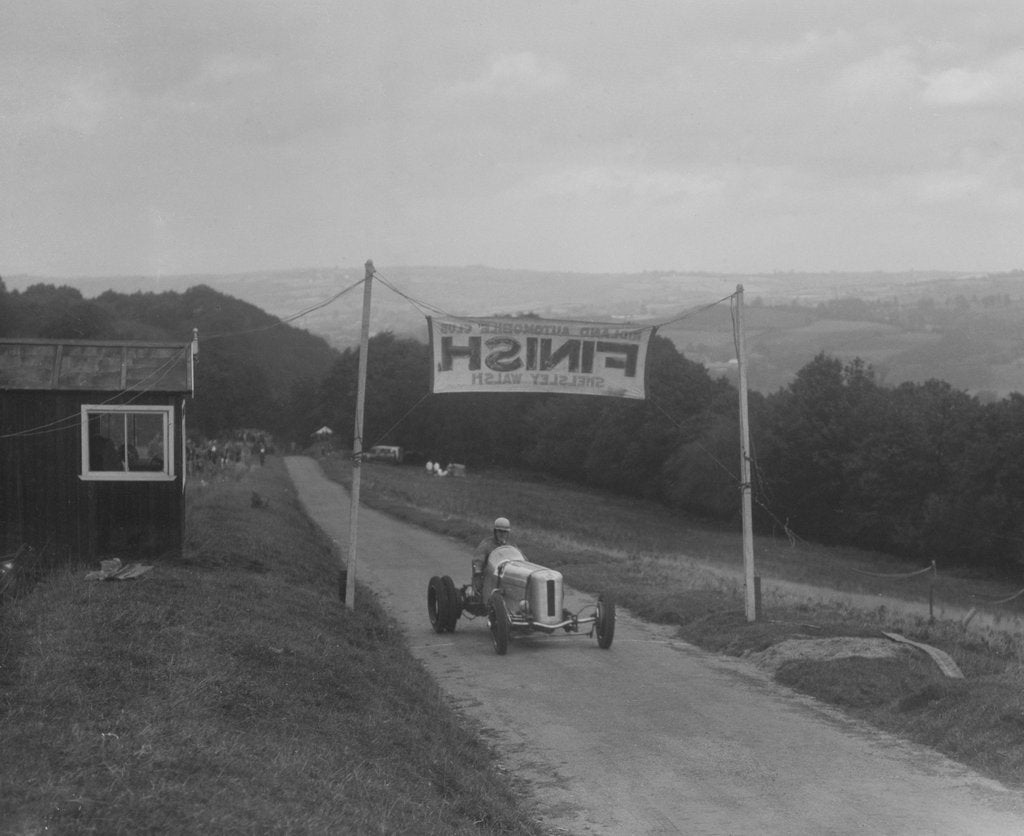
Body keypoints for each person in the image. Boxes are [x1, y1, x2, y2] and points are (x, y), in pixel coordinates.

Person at [472, 517, 513, 596]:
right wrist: (478, 572)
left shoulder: (511, 545)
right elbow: (478, 560)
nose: (502, 534)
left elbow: (520, 558)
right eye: (500, 531)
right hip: (489, 577)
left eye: (505, 532)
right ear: (495, 532)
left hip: (506, 577)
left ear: (508, 533)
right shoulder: (487, 545)